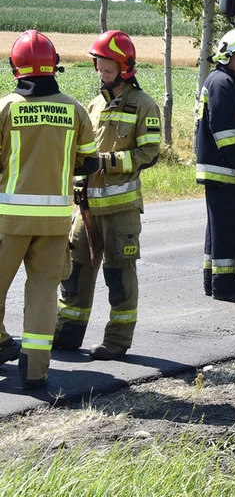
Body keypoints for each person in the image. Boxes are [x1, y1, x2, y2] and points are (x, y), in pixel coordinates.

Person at [53, 31, 161, 360]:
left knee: (119, 276)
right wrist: (77, 181)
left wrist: (108, 162)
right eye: (98, 65)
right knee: (73, 272)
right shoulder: (95, 104)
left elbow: (151, 152)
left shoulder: (144, 105)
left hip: (120, 211)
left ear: (125, 66)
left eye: (108, 66)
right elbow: (83, 152)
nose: (102, 71)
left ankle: (116, 342)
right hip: (86, 209)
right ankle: (67, 335)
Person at [0, 30, 96, 390]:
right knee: (41, 294)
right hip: (55, 222)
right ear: (54, 67)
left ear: (15, 68)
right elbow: (88, 162)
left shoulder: (6, 107)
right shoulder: (74, 110)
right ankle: (36, 371)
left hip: (9, 220)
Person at [196, 29, 235, 302]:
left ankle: (213, 280)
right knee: (228, 229)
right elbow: (223, 129)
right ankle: (227, 285)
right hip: (226, 169)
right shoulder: (223, 83)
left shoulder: (223, 80)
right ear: (227, 55)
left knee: (218, 228)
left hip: (219, 169)